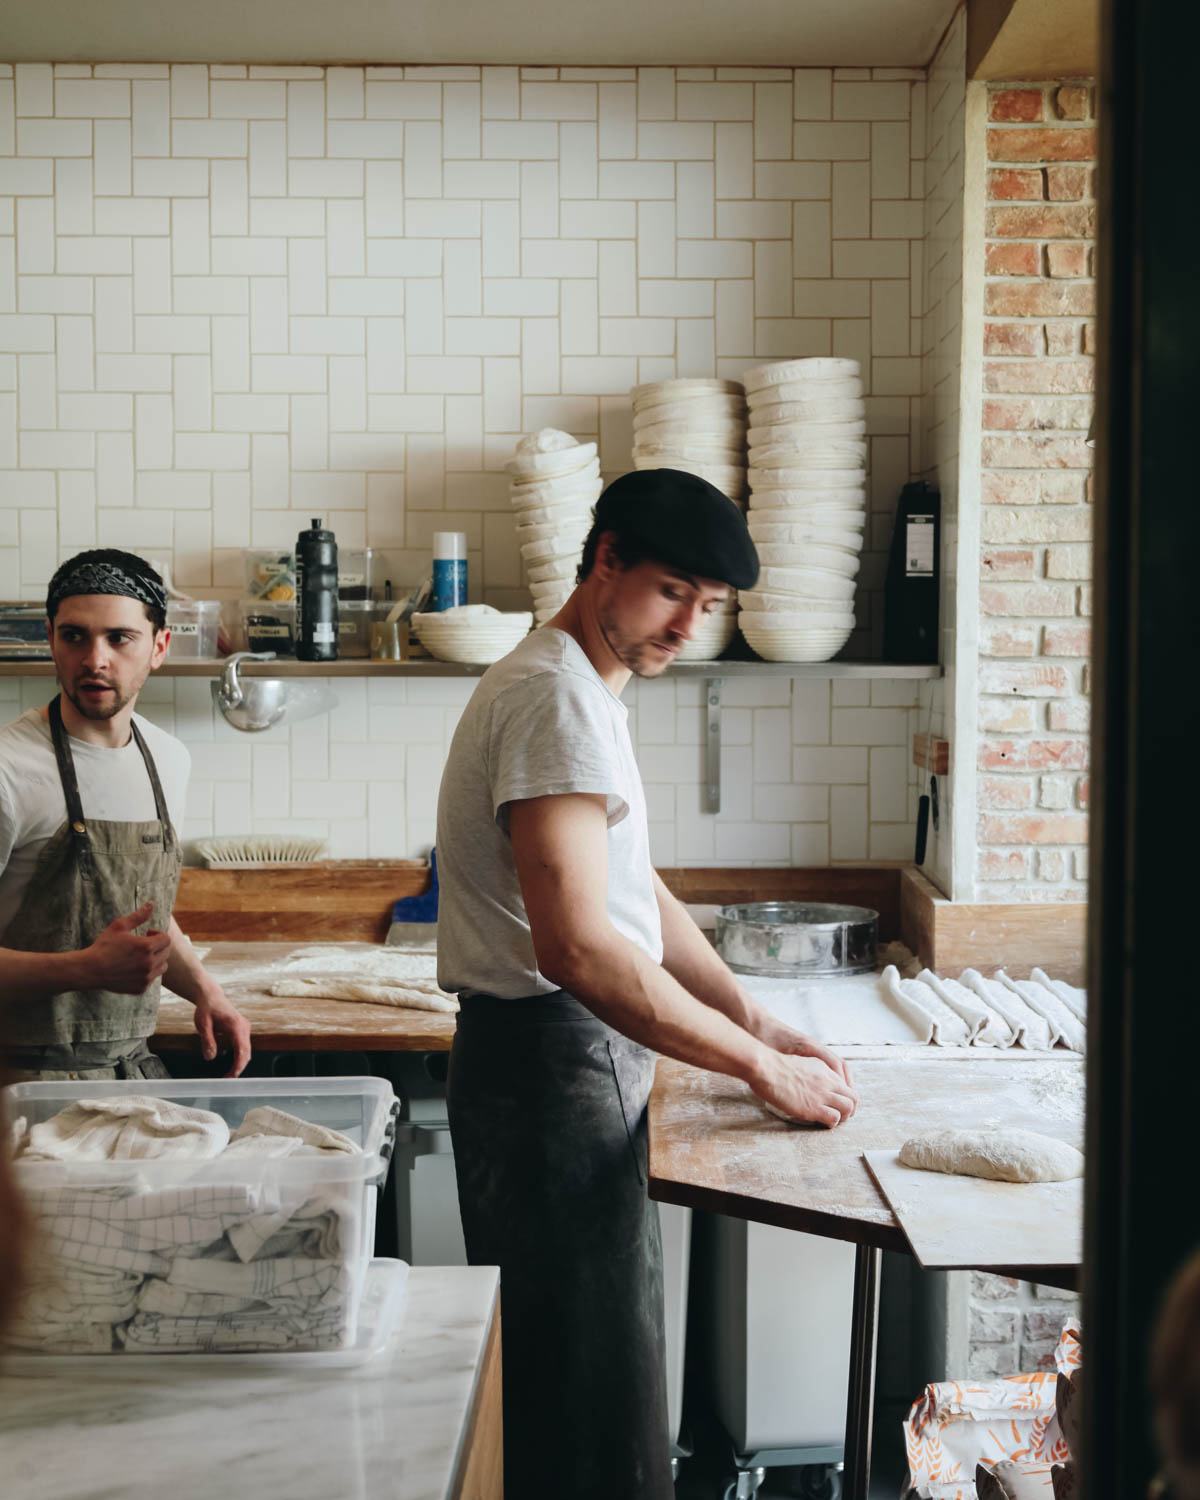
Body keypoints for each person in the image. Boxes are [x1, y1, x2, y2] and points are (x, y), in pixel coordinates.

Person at [435, 468, 857, 1499]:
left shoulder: (583, 687)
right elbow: (578, 948)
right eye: (674, 592)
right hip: (548, 1071)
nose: (688, 627)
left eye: (708, 607)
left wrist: (751, 1013)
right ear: (606, 557)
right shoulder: (553, 698)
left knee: (593, 1392)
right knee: (588, 1416)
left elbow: (634, 892)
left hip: (565, 1066)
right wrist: (759, 1066)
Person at [0, 548, 251, 1081]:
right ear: (50, 639)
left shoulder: (167, 759)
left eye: (119, 638)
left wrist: (206, 991)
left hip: (131, 1073)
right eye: (74, 636)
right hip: (19, 1081)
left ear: (159, 647)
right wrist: (85, 968)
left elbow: (139, 911)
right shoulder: (9, 767)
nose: (95, 659)